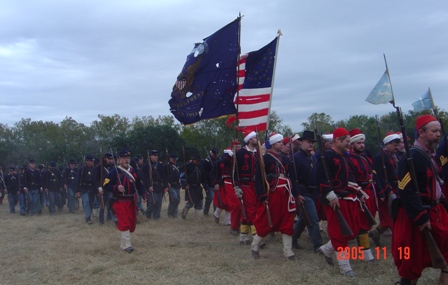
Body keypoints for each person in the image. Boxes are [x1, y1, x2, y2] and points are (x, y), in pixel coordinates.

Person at [393, 115, 448, 284]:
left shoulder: (432, 156)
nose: (438, 134)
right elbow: (405, 190)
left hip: (435, 211)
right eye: (434, 131)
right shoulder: (412, 158)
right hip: (418, 216)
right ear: (421, 133)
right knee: (411, 264)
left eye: (439, 130)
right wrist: (420, 216)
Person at [316, 127, 363, 276]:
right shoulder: (328, 157)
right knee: (339, 233)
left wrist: (359, 191)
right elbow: (320, 177)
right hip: (334, 200)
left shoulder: (345, 156)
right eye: (347, 141)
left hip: (348, 197)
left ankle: (326, 249)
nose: (349, 144)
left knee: (351, 230)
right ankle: (345, 268)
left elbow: (350, 176)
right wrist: (330, 194)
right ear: (338, 140)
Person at [251, 133, 299, 260]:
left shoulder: (284, 158)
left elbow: (291, 176)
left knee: (287, 220)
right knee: (267, 221)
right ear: (272, 144)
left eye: (282, 143)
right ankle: (255, 246)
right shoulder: (264, 158)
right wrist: (261, 195)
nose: (282, 144)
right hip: (272, 193)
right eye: (279, 142)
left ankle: (288, 251)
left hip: (286, 193)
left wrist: (296, 193)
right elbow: (259, 178)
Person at [103, 148, 147, 253]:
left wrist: (144, 195)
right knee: (124, 222)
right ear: (118, 160)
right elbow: (106, 185)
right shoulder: (114, 171)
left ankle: (123, 244)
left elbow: (139, 184)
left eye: (128, 158)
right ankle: (127, 245)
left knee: (131, 222)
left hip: (131, 200)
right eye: (124, 158)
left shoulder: (132, 171)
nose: (126, 160)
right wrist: (116, 188)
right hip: (120, 201)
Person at [347, 128, 377, 262]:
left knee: (368, 222)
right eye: (358, 143)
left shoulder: (365, 157)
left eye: (362, 143)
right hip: (361, 192)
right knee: (362, 223)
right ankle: (365, 253)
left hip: (371, 191)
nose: (362, 145)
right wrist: (359, 194)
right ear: (352, 144)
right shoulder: (350, 159)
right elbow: (352, 179)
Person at [290, 130, 322, 252]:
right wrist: (297, 194)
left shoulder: (312, 157)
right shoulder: (296, 158)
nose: (310, 144)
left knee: (304, 218)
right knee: (313, 219)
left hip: (313, 192)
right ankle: (317, 246)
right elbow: (293, 178)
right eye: (308, 142)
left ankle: (293, 238)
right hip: (303, 192)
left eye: (312, 143)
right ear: (302, 142)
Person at [369, 132, 401, 246]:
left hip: (395, 188)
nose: (397, 147)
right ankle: (398, 243)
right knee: (389, 219)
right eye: (394, 145)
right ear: (387, 144)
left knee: (394, 217)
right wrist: (386, 191)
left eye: (398, 145)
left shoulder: (392, 156)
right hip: (386, 191)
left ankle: (376, 233)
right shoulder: (380, 157)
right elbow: (378, 176)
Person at [235, 131, 259, 245]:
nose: (257, 139)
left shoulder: (257, 153)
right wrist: (236, 186)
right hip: (245, 185)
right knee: (251, 210)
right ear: (250, 140)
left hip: (255, 186)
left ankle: (243, 236)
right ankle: (256, 237)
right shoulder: (240, 153)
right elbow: (235, 171)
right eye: (255, 137)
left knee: (246, 211)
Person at [142, 150, 166, 220]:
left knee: (159, 203)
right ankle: (148, 213)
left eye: (157, 155)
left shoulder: (160, 165)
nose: (156, 157)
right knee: (153, 201)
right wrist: (148, 186)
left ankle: (156, 217)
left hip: (159, 186)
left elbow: (164, 176)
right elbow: (145, 178)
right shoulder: (146, 166)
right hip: (152, 186)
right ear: (150, 156)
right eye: (154, 155)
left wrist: (165, 185)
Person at [181, 153, 206, 220]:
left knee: (199, 202)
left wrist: (205, 186)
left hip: (198, 187)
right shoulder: (187, 166)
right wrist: (185, 185)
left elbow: (203, 177)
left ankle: (198, 218)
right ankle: (184, 213)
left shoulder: (200, 166)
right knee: (191, 202)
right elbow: (182, 176)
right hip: (190, 187)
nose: (198, 162)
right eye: (196, 160)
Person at [93, 153, 114, 224]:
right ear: (105, 159)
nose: (110, 160)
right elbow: (95, 179)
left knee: (111, 203)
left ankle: (111, 218)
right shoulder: (99, 168)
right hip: (102, 188)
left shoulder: (112, 167)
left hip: (110, 187)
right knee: (102, 204)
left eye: (111, 159)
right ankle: (101, 220)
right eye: (109, 159)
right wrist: (99, 187)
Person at [76, 155, 96, 224]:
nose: (92, 162)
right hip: (84, 188)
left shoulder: (94, 169)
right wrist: (77, 191)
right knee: (86, 202)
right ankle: (88, 217)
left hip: (92, 189)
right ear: (87, 161)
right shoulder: (81, 169)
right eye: (90, 161)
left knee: (91, 203)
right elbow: (78, 180)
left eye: (92, 161)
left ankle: (89, 214)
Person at [202, 147, 218, 216]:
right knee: (210, 197)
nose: (215, 155)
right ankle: (206, 211)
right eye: (214, 154)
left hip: (216, 182)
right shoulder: (206, 161)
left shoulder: (218, 160)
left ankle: (215, 212)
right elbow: (204, 173)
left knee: (216, 199)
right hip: (209, 182)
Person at [165, 153, 182, 218]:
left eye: (175, 159)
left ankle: (175, 214)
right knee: (174, 198)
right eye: (173, 159)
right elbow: (164, 176)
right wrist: (167, 183)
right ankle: (170, 213)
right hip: (170, 185)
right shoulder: (167, 166)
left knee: (177, 200)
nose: (174, 160)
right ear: (170, 158)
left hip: (177, 184)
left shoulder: (177, 165)